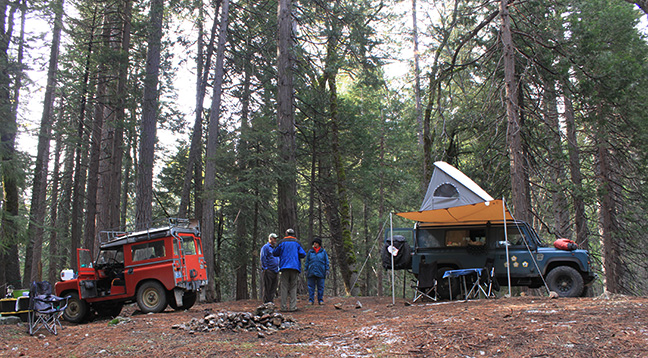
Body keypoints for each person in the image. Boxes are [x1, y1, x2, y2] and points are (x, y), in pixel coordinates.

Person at [273, 228, 306, 312]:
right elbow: (303, 254)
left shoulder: (281, 242)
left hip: (284, 267)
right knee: (293, 287)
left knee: (284, 287)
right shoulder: (297, 243)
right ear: (293, 234)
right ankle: (292, 307)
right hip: (295, 267)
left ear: (286, 234)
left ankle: (283, 307)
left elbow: (275, 253)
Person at [304, 237, 329, 305]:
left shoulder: (323, 252)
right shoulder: (310, 252)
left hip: (321, 271)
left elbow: (326, 261)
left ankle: (320, 300)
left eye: (316, 243)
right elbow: (307, 262)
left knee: (320, 287)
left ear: (319, 244)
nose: (314, 244)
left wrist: (327, 269)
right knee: (311, 287)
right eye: (314, 243)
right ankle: (311, 300)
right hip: (311, 271)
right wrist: (305, 270)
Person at [260, 233, 280, 303]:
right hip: (269, 271)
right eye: (274, 238)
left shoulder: (275, 248)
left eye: (276, 239)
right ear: (270, 238)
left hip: (276, 271)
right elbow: (263, 258)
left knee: (273, 288)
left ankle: (271, 303)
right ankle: (266, 304)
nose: (275, 240)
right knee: (267, 288)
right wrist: (265, 268)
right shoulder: (266, 247)